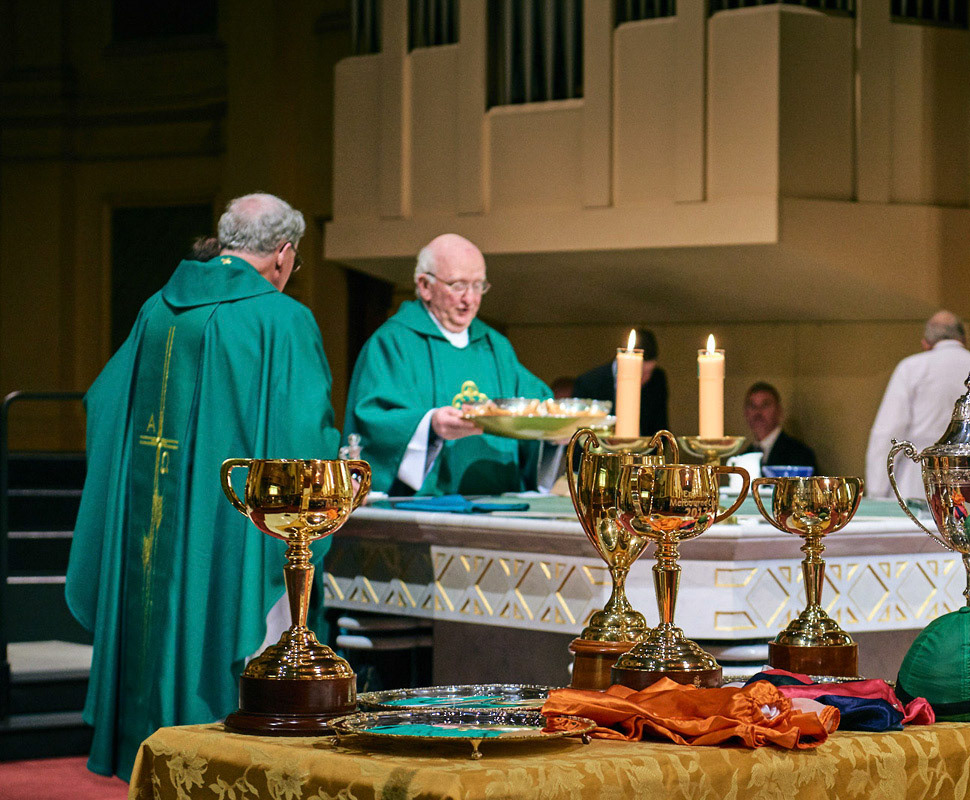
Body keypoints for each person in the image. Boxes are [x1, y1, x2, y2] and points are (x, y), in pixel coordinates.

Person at [66, 193, 340, 779]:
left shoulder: (156, 309)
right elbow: (303, 440)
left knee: (159, 631)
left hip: (153, 513)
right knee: (240, 655)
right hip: (233, 533)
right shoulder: (282, 318)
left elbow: (104, 402)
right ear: (285, 254)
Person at [343, 233, 551, 496]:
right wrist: (429, 425)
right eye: (458, 285)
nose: (470, 299)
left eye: (478, 286)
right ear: (425, 286)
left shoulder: (494, 346)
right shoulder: (393, 342)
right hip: (422, 515)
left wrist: (558, 431)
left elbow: (536, 405)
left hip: (500, 509)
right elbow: (372, 422)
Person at [865, 310, 970, 499]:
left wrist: (877, 494)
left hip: (919, 483)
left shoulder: (911, 369)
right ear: (965, 340)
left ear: (925, 344)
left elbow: (887, 434)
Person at [573, 328, 669, 436]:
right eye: (640, 373)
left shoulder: (657, 379)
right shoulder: (590, 382)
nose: (642, 379)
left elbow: (660, 427)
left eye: (648, 373)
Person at [743, 382, 819, 471]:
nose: (758, 412)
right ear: (746, 412)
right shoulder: (743, 457)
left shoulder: (800, 454)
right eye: (752, 406)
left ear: (779, 410)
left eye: (765, 405)